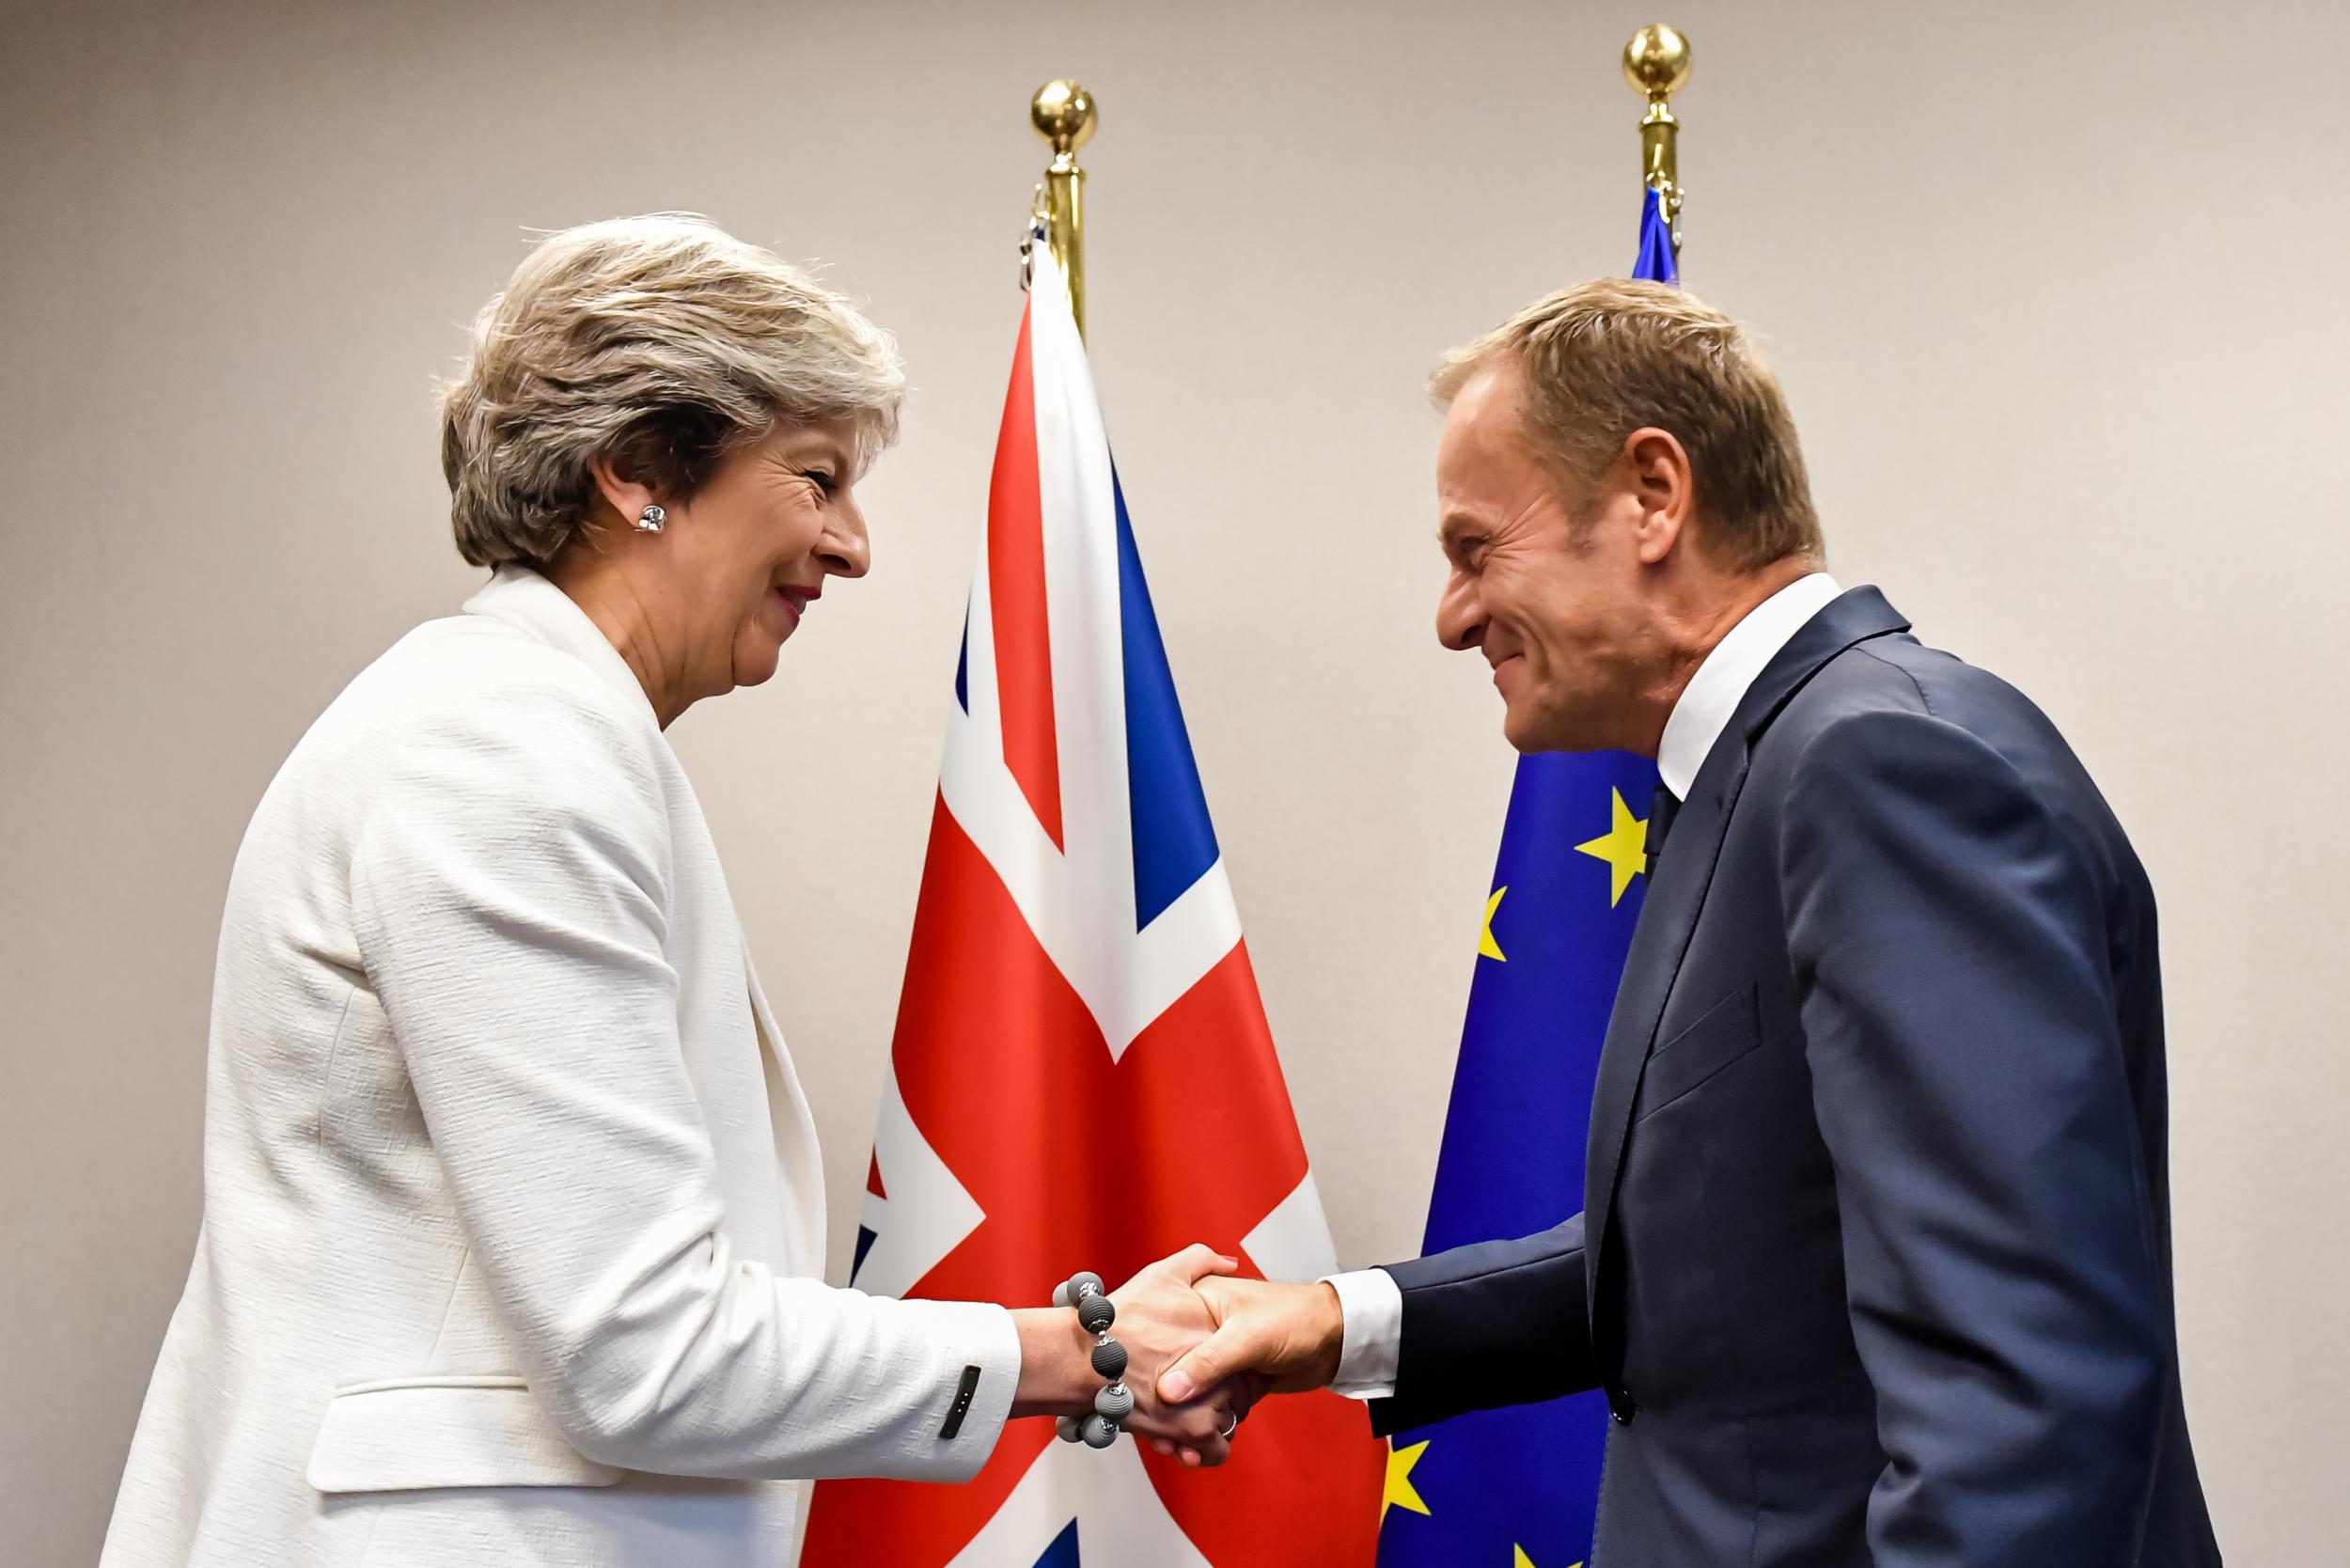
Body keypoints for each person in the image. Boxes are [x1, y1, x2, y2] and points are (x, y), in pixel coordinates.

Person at [99, 214, 1246, 1568]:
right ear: (639, 473)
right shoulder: (504, 749)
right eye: (817, 478)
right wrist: (1082, 1352)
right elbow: (639, 1348)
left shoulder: (540, 725)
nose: (854, 544)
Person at [1153, 280, 2222, 1565]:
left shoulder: (1878, 770)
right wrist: (1338, 1323)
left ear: (1654, 494)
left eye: (1474, 548)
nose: (1450, 618)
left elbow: (2021, 1400)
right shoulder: (1768, 777)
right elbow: (1731, 1249)